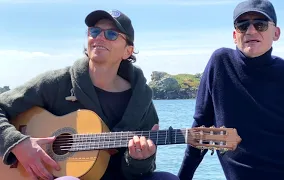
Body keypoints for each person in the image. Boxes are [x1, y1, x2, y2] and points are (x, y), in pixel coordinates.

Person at [0, 9, 179, 180]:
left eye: (111, 34)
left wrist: (140, 160)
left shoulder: (141, 102)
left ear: (128, 51)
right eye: (94, 31)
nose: (100, 37)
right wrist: (17, 143)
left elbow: (141, 172)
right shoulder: (57, 83)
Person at [178, 0, 284, 180]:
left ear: (276, 33)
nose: (251, 31)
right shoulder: (220, 63)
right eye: (243, 25)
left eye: (260, 24)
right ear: (234, 34)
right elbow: (200, 130)